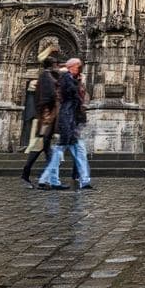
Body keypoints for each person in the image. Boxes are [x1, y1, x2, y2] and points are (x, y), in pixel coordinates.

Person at [38, 58, 93, 190]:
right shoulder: (66, 79)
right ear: (71, 67)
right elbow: (72, 94)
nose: (78, 69)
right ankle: (46, 179)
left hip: (71, 119)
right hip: (67, 119)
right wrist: (79, 82)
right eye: (77, 66)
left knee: (76, 151)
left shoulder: (69, 78)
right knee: (61, 151)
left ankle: (84, 181)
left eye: (79, 67)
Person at [21, 55, 60, 186]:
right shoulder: (46, 77)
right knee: (42, 147)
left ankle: (48, 178)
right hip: (46, 118)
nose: (58, 65)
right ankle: (29, 174)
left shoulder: (47, 76)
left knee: (46, 149)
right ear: (51, 64)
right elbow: (49, 97)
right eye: (56, 62)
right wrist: (48, 116)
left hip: (47, 118)